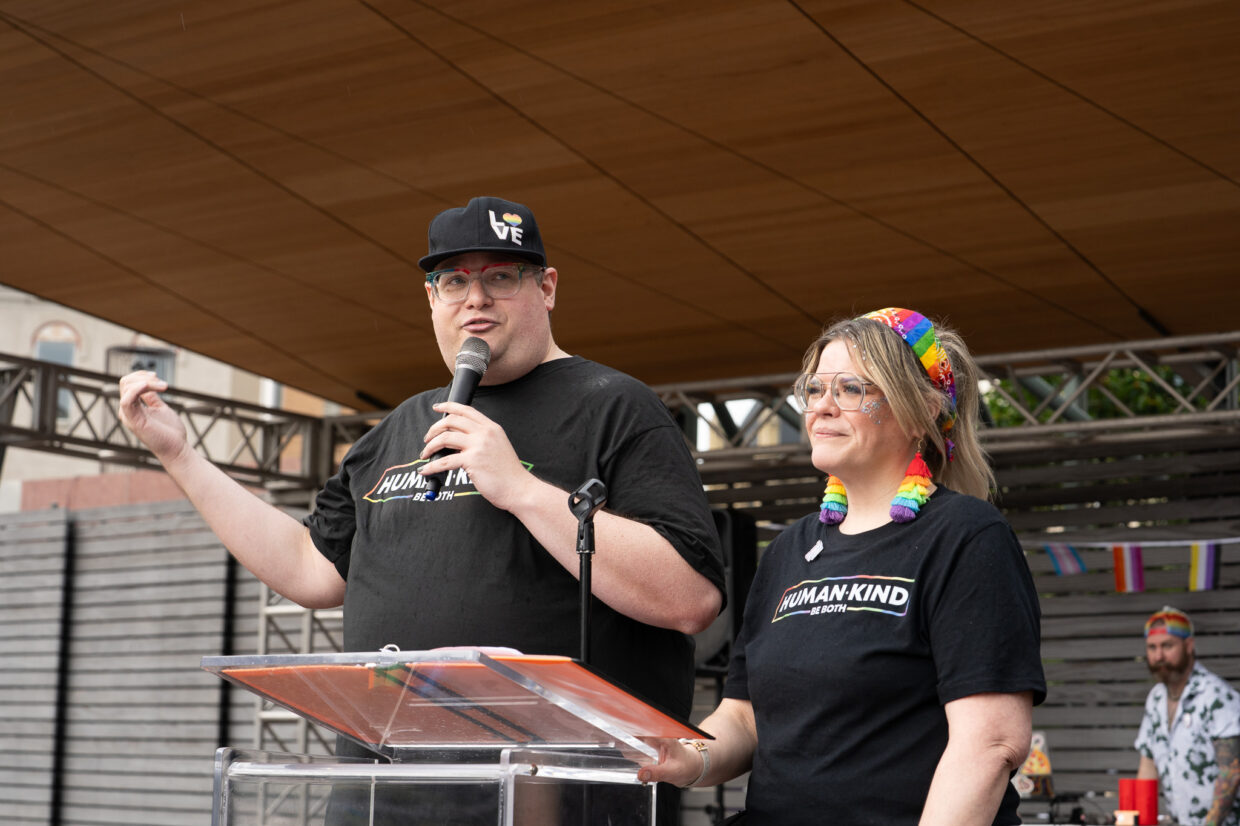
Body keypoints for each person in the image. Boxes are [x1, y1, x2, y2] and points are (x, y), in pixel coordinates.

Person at [118, 196, 726, 823]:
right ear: (431, 298)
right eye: (453, 280)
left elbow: (689, 599)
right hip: (383, 798)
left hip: (560, 801)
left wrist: (520, 488)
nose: (475, 299)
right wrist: (180, 456)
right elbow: (309, 567)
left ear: (546, 288)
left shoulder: (616, 408)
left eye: (501, 276)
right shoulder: (400, 429)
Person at [639, 307, 1046, 826]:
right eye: (814, 389)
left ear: (921, 413)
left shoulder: (966, 536)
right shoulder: (789, 549)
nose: (822, 408)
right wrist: (687, 756)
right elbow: (744, 716)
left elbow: (990, 743)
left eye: (851, 389)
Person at [1135, 606, 1240, 826]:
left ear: (1189, 645)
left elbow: (1231, 773)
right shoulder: (1155, 699)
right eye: (1152, 647)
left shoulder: (1216, 695)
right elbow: (1148, 765)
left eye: (1167, 646)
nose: (1159, 656)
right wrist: (1140, 820)